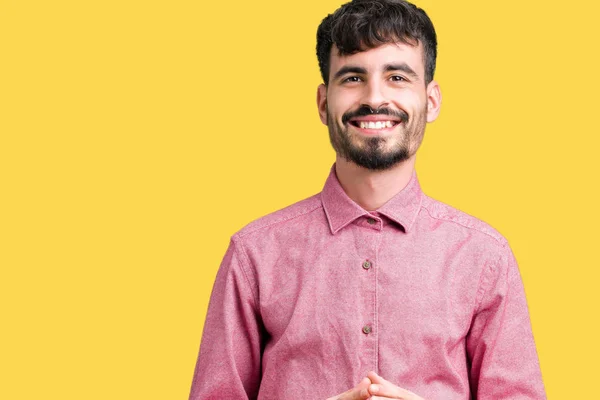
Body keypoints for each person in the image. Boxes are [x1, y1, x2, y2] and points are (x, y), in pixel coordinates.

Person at [188, 0, 546, 398]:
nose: (375, 98)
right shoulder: (254, 254)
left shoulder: (484, 257)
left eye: (397, 77)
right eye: (353, 78)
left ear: (431, 100)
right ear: (324, 103)